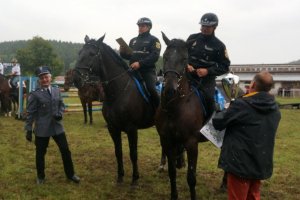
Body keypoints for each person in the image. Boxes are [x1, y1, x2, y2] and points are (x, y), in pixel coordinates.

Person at [212, 71, 281, 200]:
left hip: (240, 164)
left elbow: (218, 123)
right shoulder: (275, 108)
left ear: (253, 84)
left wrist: (220, 109)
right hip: (260, 162)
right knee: (253, 196)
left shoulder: (241, 105)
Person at [24, 66, 80, 184]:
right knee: (40, 153)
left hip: (57, 127)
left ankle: (71, 174)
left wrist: (60, 113)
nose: (45, 79)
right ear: (39, 79)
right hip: (42, 129)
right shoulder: (35, 94)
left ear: (50, 77)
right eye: (42, 78)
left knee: (65, 150)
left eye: (46, 77)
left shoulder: (56, 90)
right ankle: (40, 177)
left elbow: (61, 105)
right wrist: (29, 129)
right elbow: (31, 113)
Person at [186, 13, 230, 120]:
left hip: (206, 81)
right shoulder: (192, 38)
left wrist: (207, 71)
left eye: (207, 27)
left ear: (215, 27)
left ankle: (208, 127)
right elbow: (183, 55)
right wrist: (186, 65)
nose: (204, 29)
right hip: (187, 76)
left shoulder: (219, 45)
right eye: (203, 26)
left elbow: (225, 66)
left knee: (209, 100)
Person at [119, 17, 161, 109]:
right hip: (132, 70)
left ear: (149, 27)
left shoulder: (154, 40)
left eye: (143, 26)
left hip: (147, 71)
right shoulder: (133, 40)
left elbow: (154, 56)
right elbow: (129, 56)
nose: (140, 27)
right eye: (139, 25)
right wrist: (122, 52)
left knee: (151, 89)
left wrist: (140, 64)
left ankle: (159, 111)